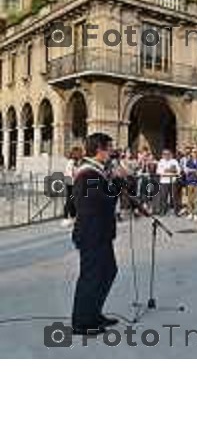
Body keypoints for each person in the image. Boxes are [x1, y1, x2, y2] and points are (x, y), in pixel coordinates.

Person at [71, 133, 124, 336]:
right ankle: (81, 322)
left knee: (108, 271)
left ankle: (94, 312)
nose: (111, 152)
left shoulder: (96, 172)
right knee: (91, 276)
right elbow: (103, 202)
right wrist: (117, 183)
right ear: (99, 150)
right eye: (109, 148)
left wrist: (114, 181)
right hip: (92, 233)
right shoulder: (88, 174)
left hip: (100, 232)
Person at [62, 146, 82, 227]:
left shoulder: (77, 162)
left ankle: (73, 216)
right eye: (79, 153)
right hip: (70, 183)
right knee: (70, 200)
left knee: (74, 200)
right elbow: (69, 173)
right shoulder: (71, 162)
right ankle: (66, 217)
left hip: (73, 182)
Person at [157, 149, 180, 215]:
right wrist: (170, 170)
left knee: (174, 197)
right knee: (164, 197)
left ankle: (176, 211)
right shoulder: (161, 161)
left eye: (167, 154)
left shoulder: (174, 161)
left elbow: (178, 171)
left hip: (173, 181)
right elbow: (159, 171)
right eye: (164, 154)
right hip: (164, 181)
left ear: (170, 154)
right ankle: (163, 211)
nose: (166, 155)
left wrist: (167, 171)